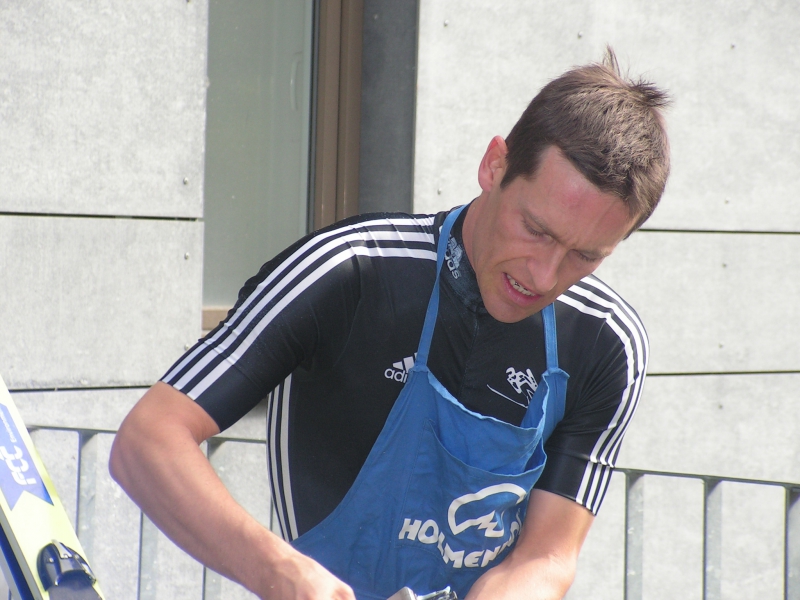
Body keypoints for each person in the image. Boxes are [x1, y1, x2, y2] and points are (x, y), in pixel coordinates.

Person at [110, 48, 669, 600]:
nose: (544, 275)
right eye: (536, 230)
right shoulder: (348, 271)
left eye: (585, 256)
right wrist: (283, 574)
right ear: (494, 165)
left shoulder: (607, 341)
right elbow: (149, 439)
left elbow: (547, 555)